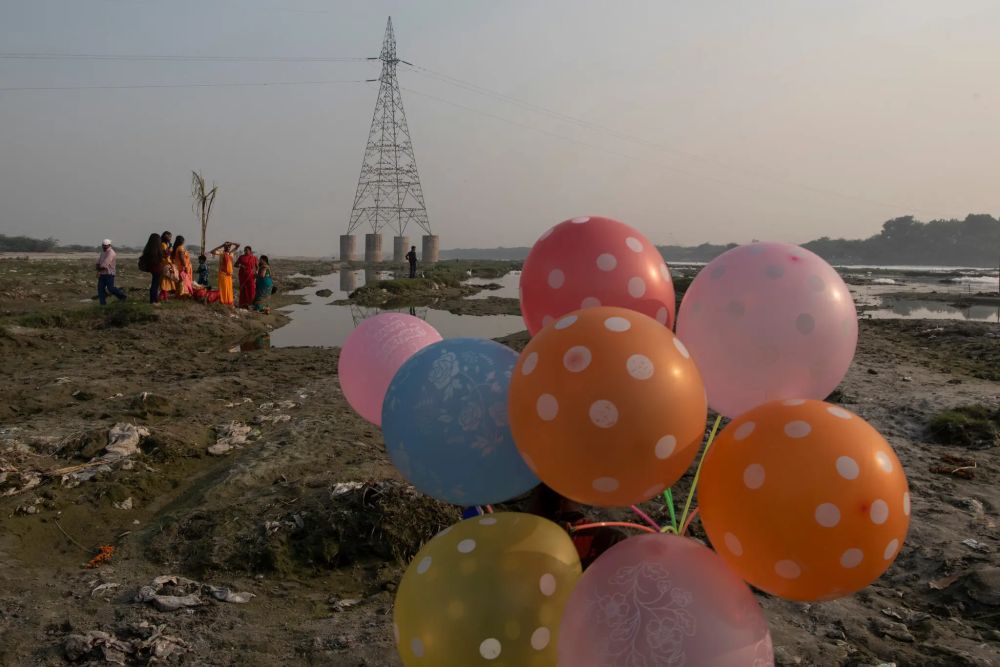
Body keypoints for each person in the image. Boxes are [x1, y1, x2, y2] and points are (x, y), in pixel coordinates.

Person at [95, 239, 126, 305]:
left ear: (109, 245)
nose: (104, 247)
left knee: (111, 288)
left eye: (105, 246)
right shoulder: (103, 252)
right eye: (103, 245)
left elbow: (104, 265)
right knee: (100, 289)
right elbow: (98, 262)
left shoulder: (111, 253)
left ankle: (122, 296)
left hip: (109, 274)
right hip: (102, 274)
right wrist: (98, 268)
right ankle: (103, 304)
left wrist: (98, 269)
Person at [139, 233, 165, 305]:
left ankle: (154, 300)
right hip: (157, 269)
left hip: (152, 268)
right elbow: (161, 257)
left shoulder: (149, 248)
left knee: (154, 284)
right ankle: (153, 300)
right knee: (155, 285)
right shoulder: (158, 249)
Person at [210, 242, 238, 306]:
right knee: (223, 288)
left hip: (229, 275)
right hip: (223, 274)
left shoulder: (231, 253)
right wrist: (221, 245)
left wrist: (231, 243)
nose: (228, 248)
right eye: (226, 247)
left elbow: (238, 245)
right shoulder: (221, 253)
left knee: (229, 288)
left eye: (229, 247)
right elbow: (212, 251)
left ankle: (229, 301)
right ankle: (223, 301)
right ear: (224, 247)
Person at [159, 231, 176, 298]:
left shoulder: (166, 245)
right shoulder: (163, 244)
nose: (170, 238)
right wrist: (169, 248)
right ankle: (163, 296)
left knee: (167, 280)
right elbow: (166, 255)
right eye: (169, 237)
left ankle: (164, 296)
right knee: (164, 279)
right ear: (166, 237)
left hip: (168, 262)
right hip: (165, 263)